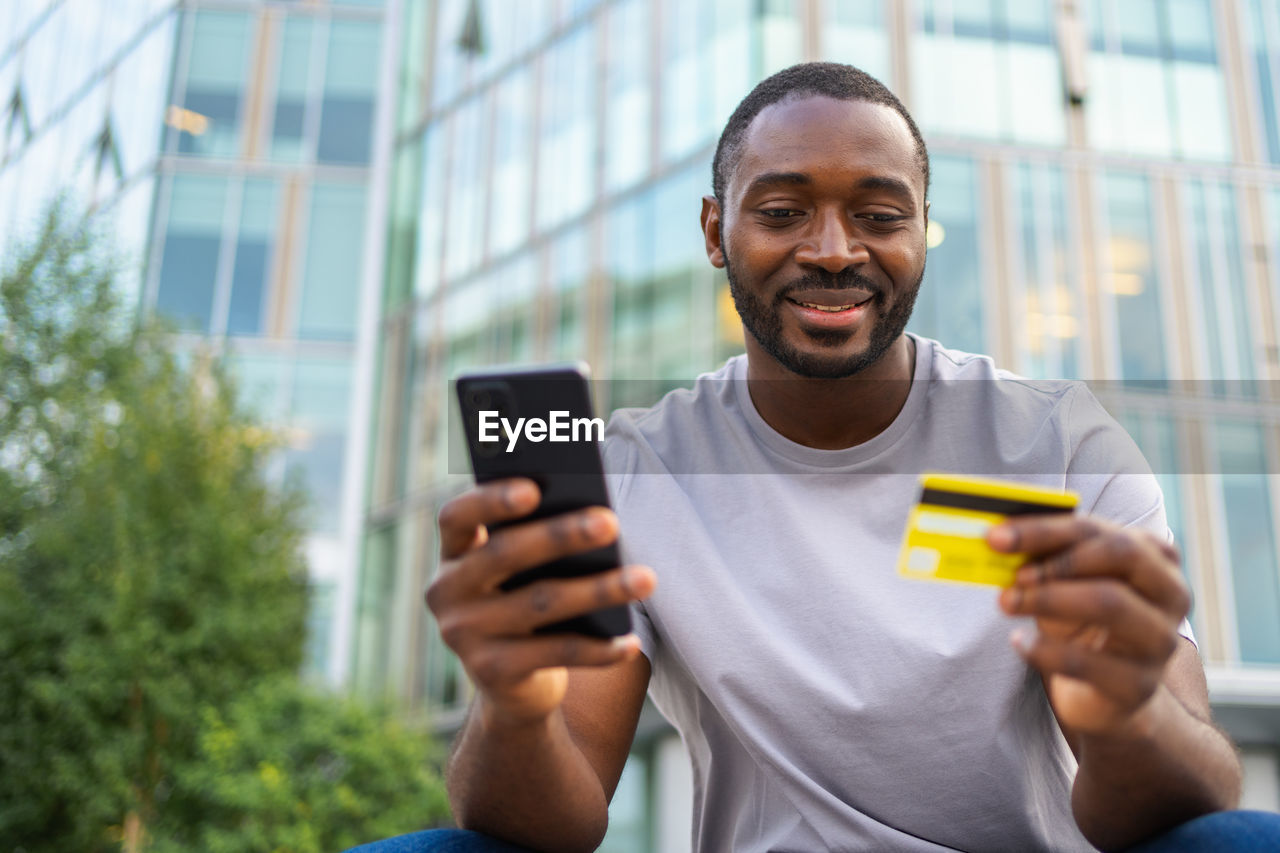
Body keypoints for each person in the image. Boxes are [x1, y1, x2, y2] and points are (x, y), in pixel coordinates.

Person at [350, 64, 1280, 852]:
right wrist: (511, 700)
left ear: (922, 232)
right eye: (785, 210)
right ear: (716, 232)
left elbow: (1188, 794)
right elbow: (552, 822)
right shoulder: (634, 473)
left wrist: (1127, 717)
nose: (833, 252)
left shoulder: (1054, 444)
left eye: (879, 214)